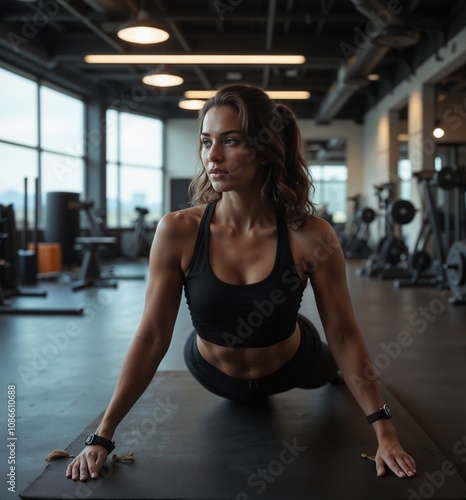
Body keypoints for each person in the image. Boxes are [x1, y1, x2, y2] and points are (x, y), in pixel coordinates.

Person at [66, 83, 416, 482]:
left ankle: (335, 373)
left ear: (264, 149)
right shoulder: (177, 230)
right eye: (206, 141)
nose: (212, 156)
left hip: (294, 363)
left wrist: (384, 431)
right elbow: (151, 337)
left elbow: (344, 333)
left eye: (230, 141)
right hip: (210, 370)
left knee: (331, 361)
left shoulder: (310, 235)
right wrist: (103, 436)